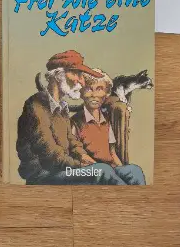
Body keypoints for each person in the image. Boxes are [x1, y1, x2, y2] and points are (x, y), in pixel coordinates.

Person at [17, 50, 141, 185]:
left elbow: (72, 142)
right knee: (102, 171)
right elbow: (51, 154)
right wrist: (82, 165)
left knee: (133, 171)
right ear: (58, 75)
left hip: (65, 168)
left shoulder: (62, 108)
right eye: (76, 74)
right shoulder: (35, 106)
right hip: (44, 175)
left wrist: (85, 157)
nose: (81, 82)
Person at [71, 70, 145, 185]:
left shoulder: (106, 120)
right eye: (89, 89)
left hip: (111, 168)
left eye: (99, 89)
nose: (94, 94)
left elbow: (112, 152)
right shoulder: (75, 121)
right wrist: (103, 169)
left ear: (106, 94)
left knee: (134, 170)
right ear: (81, 93)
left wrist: (121, 168)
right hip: (93, 170)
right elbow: (78, 154)